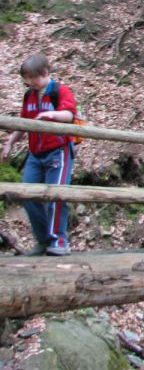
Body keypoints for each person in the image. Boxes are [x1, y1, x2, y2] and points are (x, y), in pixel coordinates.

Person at [0, 54, 77, 256]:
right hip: (35, 154)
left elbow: (69, 115)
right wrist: (10, 142)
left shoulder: (59, 91)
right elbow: (23, 122)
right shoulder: (30, 95)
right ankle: (44, 240)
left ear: (44, 73)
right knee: (27, 195)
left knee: (56, 195)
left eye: (32, 77)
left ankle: (58, 240)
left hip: (58, 152)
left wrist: (52, 115)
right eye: (26, 78)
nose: (29, 82)